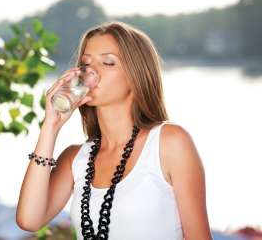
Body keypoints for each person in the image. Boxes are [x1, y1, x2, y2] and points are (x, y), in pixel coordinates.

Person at [16, 21, 213, 239]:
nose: (92, 72)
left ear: (136, 75)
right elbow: (29, 220)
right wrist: (50, 127)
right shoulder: (76, 159)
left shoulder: (169, 143)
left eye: (108, 62)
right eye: (85, 63)